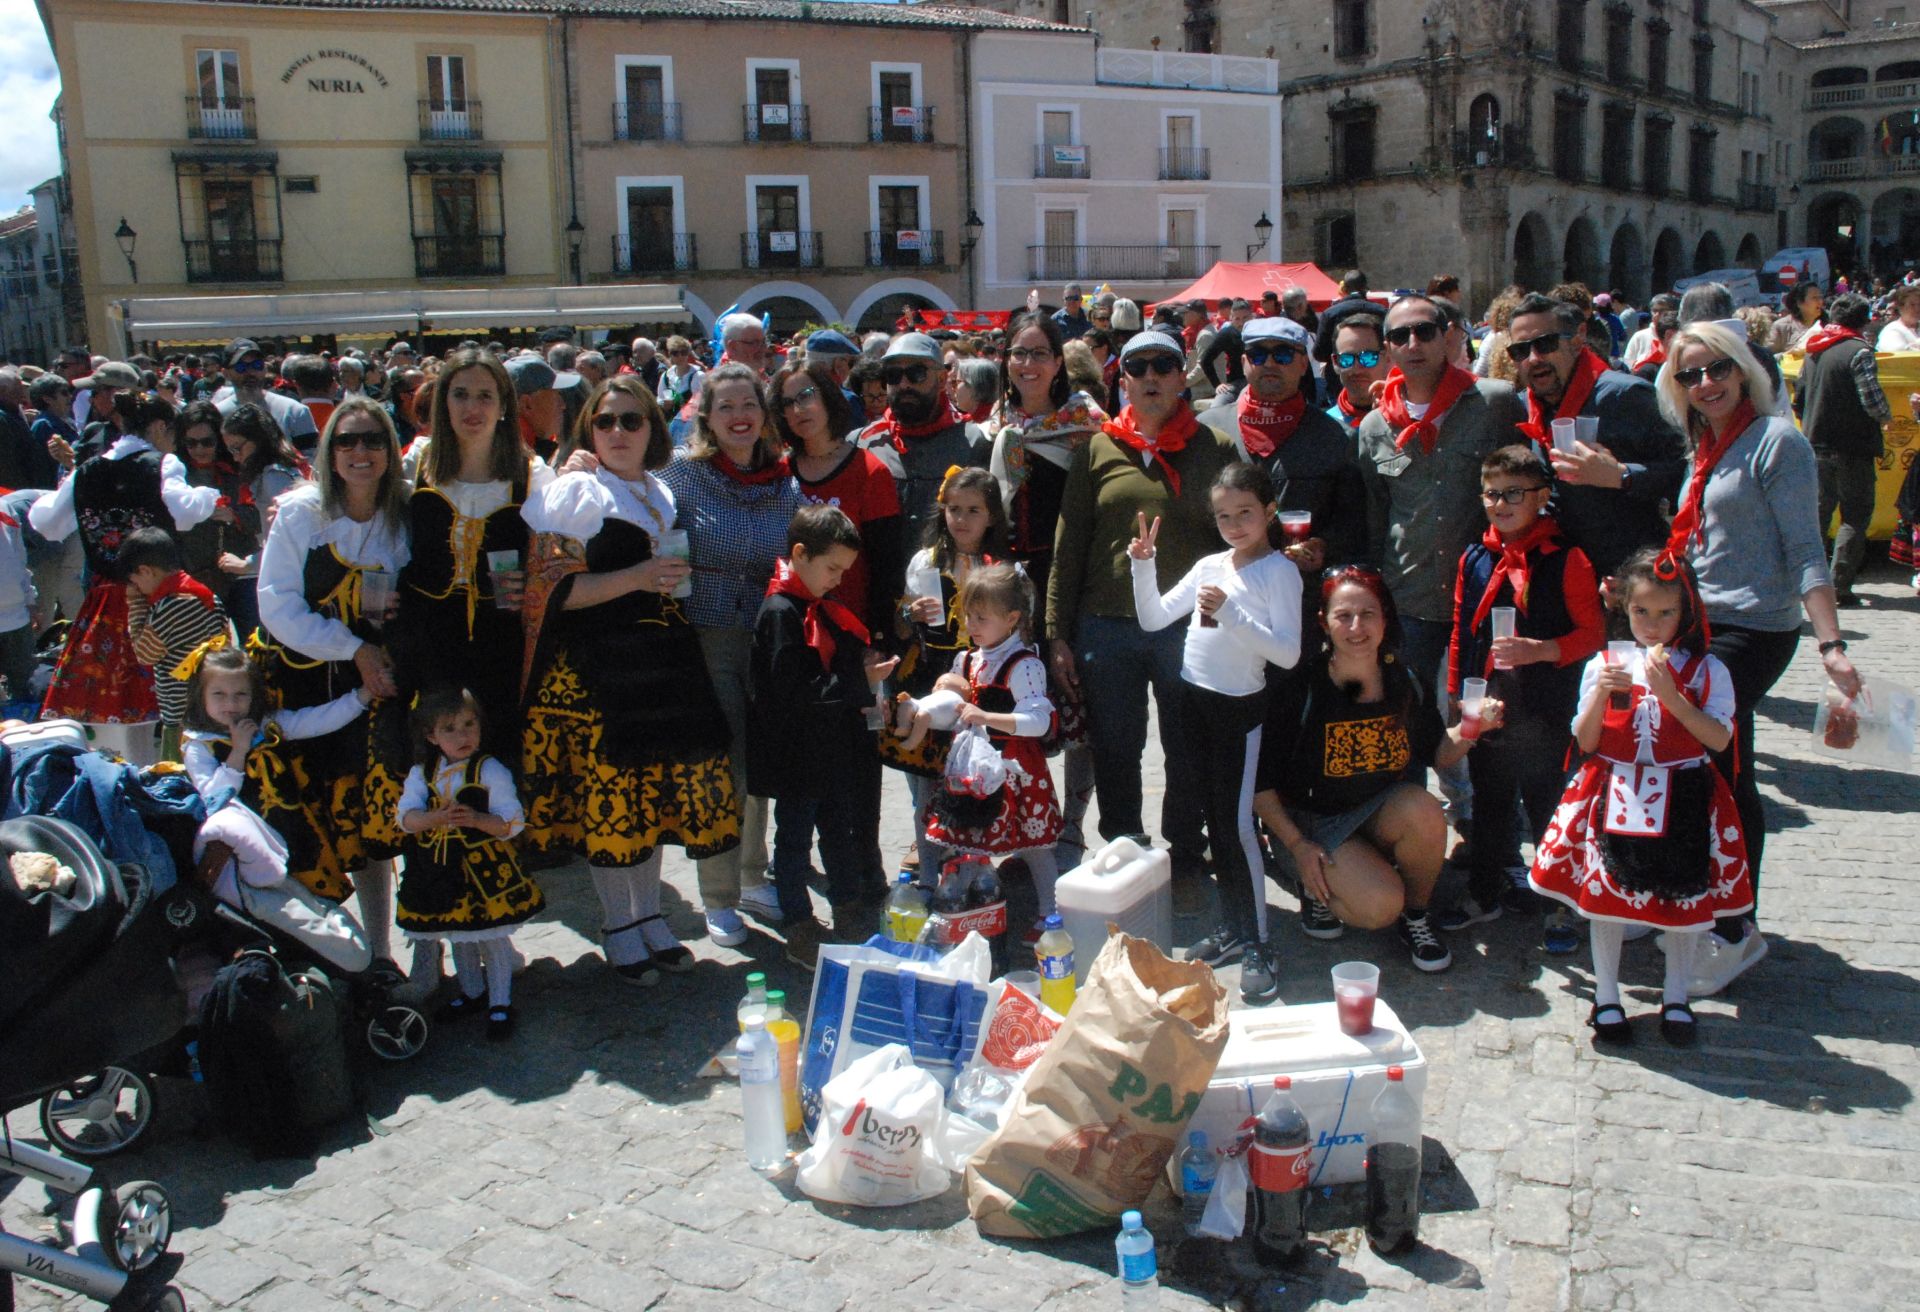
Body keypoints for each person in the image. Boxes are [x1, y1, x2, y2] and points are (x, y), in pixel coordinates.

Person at [1655, 321, 1862, 995]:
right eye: (1690, 375)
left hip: (1754, 628)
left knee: (1722, 765)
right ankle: (1700, 900)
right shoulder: (1705, 444)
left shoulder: (1777, 441)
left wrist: (1831, 644)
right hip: (1699, 623)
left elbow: (1805, 548)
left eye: (1717, 368)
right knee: (1710, 763)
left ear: (1744, 369)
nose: (1706, 383)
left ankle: (1736, 927)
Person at [520, 378, 741, 983]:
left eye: (631, 420)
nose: (617, 432)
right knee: (612, 802)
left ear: (652, 429)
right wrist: (639, 577)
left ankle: (649, 918)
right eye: (605, 421)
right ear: (588, 429)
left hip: (661, 661)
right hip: (600, 668)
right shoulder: (577, 489)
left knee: (651, 796)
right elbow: (553, 592)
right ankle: (619, 926)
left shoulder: (658, 490)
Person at [1529, 549, 1753, 1047]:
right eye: (1640, 611)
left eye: (1665, 612)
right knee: (1606, 899)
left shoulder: (1708, 670)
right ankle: (1607, 995)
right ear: (1624, 609)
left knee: (1682, 899)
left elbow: (1718, 739)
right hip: (1615, 791)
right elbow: (1586, 740)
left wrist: (1672, 696)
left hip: (1685, 793)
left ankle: (1676, 995)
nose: (1652, 625)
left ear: (1686, 612)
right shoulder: (1605, 663)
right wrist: (1599, 696)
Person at [1048, 330, 1238, 877]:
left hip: (1186, 624)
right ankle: (1124, 844)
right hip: (1107, 624)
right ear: (1123, 380)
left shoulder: (1216, 448)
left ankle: (1186, 844)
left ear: (1182, 377)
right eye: (1138, 367)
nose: (1151, 376)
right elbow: (1069, 544)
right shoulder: (1098, 448)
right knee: (1115, 744)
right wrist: (1057, 632)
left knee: (1186, 743)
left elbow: (1238, 540)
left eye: (1163, 365)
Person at [1251, 567, 1495, 971]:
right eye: (1343, 615)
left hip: (1375, 810)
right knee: (1380, 906)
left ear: (1385, 620)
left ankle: (1416, 916)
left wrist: (1473, 728)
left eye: (1368, 614)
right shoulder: (1301, 687)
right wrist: (1297, 845)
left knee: (1424, 809)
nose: (1356, 627)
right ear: (1324, 623)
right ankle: (1312, 885)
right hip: (1311, 823)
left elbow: (1437, 753)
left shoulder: (1405, 680)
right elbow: (1260, 784)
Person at [1130, 465, 1302, 1002]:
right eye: (1223, 516)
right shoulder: (1210, 565)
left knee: (1237, 826)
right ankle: (1233, 927)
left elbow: (1287, 653)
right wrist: (1143, 565)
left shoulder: (1279, 572)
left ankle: (1259, 943)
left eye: (1245, 513)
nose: (1234, 524)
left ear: (1269, 511)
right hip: (1191, 702)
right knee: (1211, 818)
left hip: (1238, 710)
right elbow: (1154, 618)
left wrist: (1231, 615)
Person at [1436, 447, 1604, 949]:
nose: (1501, 504)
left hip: (1546, 708)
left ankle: (1559, 908)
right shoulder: (1475, 556)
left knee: (1549, 806)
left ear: (1542, 496)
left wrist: (1542, 650)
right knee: (1489, 803)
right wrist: (1458, 695)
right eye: (1491, 494)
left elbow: (1592, 634)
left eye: (1514, 494)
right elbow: (1462, 630)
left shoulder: (1567, 558)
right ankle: (1483, 893)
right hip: (1487, 705)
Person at [658, 363, 802, 945]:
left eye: (749, 405)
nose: (739, 416)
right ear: (707, 418)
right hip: (708, 634)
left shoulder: (785, 481)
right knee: (722, 765)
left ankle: (751, 876)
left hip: (768, 636)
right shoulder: (680, 475)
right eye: (726, 407)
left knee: (759, 759)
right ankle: (717, 895)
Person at [1356, 292, 1526, 704]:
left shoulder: (1495, 402)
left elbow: (1529, 489)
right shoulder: (1374, 426)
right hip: (1410, 598)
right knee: (1410, 715)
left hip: (1485, 596)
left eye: (1424, 332)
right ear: (1388, 348)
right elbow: (1377, 514)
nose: (1413, 344)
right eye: (1401, 336)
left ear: (1447, 336)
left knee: (1484, 718)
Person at [28, 389, 219, 754]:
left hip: (105, 601)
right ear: (160, 426)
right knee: (177, 694)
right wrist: (207, 497)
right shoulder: (162, 464)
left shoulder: (87, 470)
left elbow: (47, 522)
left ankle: (130, 772)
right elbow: (184, 513)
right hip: (159, 599)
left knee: (115, 707)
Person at [750, 506, 898, 966]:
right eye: (833, 568)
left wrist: (865, 672)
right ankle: (797, 921)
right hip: (797, 749)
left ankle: (847, 905)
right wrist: (859, 680)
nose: (838, 579)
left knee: (838, 830)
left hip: (831, 744)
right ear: (800, 554)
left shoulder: (822, 605)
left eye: (844, 570)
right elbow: (794, 689)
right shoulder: (781, 612)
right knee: (794, 838)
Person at [392, 348, 551, 770]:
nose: (472, 408)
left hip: (501, 640)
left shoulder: (532, 474)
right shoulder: (418, 464)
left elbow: (557, 561)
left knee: (498, 753)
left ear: (504, 406)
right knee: (427, 760)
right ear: (443, 402)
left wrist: (533, 579)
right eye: (460, 394)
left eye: (485, 396)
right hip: (427, 637)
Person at [982, 312, 1104, 858]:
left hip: (1072, 579)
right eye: (1018, 353)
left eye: (1038, 354)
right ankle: (1024, 825)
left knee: (1077, 706)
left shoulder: (1088, 426)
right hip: (1012, 588)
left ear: (1058, 363)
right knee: (1014, 704)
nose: (1027, 364)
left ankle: (1071, 824)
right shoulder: (997, 428)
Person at [180, 646, 378, 970]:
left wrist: (361, 697)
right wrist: (238, 752)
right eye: (219, 694)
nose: (231, 704)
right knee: (278, 913)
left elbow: (315, 721)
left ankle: (338, 966)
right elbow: (213, 797)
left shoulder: (265, 724)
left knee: (315, 903)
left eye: (240, 694)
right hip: (253, 848)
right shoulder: (199, 745)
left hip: (296, 831)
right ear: (200, 697)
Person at [907, 563, 1063, 939]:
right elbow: (954, 712)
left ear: (1011, 619)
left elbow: (1039, 720)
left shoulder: (1025, 665)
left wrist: (987, 716)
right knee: (966, 843)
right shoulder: (967, 660)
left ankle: (1052, 914)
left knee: (1035, 847)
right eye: (968, 616)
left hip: (1015, 770)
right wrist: (923, 710)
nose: (972, 625)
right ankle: (967, 914)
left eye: (982, 618)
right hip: (973, 771)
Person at [1507, 293, 1688, 581]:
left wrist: (1622, 475)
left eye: (1546, 344)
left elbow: (1684, 472)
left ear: (1577, 340)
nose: (1533, 358)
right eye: (1520, 350)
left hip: (1630, 577)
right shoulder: (1521, 406)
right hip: (1561, 578)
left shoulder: (1625, 396)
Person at [397, 687, 542, 1041]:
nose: (462, 735)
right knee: (458, 934)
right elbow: (405, 818)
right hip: (439, 870)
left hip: (484, 873)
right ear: (431, 736)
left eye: (468, 724)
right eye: (449, 729)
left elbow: (512, 820)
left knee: (490, 936)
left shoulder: (489, 769)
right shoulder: (422, 773)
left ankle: (500, 1001)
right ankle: (472, 991)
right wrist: (432, 818)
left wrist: (477, 819)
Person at [889, 466, 1008, 868]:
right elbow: (900, 626)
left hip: (981, 678)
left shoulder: (1001, 568)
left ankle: (973, 861)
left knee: (972, 771)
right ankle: (929, 860)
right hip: (930, 673)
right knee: (925, 777)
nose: (961, 519)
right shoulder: (926, 561)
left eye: (973, 510)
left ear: (991, 516)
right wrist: (911, 614)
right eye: (954, 509)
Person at [1200, 316, 1368, 573]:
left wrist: (1324, 546)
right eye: (1257, 355)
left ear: (1303, 364)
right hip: (1225, 588)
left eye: (1283, 355)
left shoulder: (1338, 437)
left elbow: (1354, 521)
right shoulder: (1208, 430)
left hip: (1304, 589)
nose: (1269, 363)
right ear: (1244, 363)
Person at [1796, 293, 1891, 607]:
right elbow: (1872, 401)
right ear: (1863, 321)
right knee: (1854, 516)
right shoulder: (1859, 352)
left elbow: (1799, 398)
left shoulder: (1814, 350)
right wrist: (1887, 417)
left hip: (1815, 443)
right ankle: (1839, 587)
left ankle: (1809, 583)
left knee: (1818, 515)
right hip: (1853, 446)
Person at [856, 333, 988, 543]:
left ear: (941, 379)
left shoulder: (975, 442)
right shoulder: (863, 443)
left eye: (916, 373)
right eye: (893, 375)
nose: (904, 384)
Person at [118, 527, 233, 761]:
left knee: (179, 775)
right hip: (210, 709)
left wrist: (136, 604)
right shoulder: (202, 593)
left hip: (184, 716)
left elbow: (144, 654)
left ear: (145, 571)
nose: (136, 587)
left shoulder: (172, 605)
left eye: (135, 580)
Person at [214, 339, 318, 451]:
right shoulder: (217, 415)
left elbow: (310, 457)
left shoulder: (294, 411)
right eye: (241, 367)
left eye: (257, 365)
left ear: (265, 369)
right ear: (226, 374)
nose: (251, 372)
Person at [1323, 309, 1390, 439]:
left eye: (1368, 357)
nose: (1357, 369)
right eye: (1346, 359)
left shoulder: (1407, 419)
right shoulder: (1324, 427)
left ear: (1388, 357)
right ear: (1335, 363)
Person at [1197, 299, 1256, 403]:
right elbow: (1205, 360)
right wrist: (1217, 384)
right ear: (1231, 319)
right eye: (1237, 319)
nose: (1241, 323)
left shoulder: (1260, 333)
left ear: (1252, 317)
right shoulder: (1227, 334)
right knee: (1218, 405)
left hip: (1258, 380)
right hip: (1237, 382)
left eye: (1245, 318)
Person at [1765, 282, 1824, 356]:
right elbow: (1769, 357)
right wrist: (1791, 354)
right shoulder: (1782, 327)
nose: (1820, 301)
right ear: (1799, 303)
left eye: (1820, 297)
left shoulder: (1827, 325)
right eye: (1814, 297)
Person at [1623, 294, 1679, 370]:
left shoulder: (1680, 337)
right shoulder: (1639, 336)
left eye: (1662, 311)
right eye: (1654, 311)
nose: (1657, 314)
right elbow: (1628, 365)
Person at [1876, 284, 1920, 351]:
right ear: (1900, 307)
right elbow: (1900, 352)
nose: (1917, 309)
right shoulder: (1892, 330)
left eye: (1919, 304)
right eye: (1912, 305)